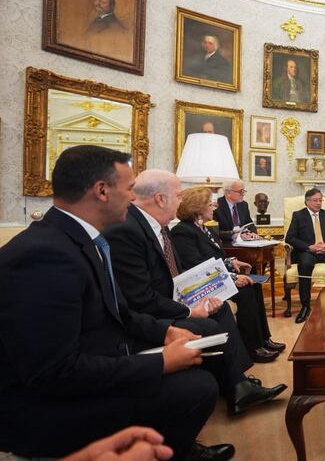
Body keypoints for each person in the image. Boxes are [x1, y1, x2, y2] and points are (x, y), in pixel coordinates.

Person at [0, 146, 231, 460]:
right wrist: (160, 362)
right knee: (196, 388)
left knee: (199, 357)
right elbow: (54, 372)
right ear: (102, 191)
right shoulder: (44, 256)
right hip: (43, 409)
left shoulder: (81, 238)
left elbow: (120, 312)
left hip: (99, 358)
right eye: (130, 189)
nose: (134, 198)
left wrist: (165, 334)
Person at [103, 169, 286, 414]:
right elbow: (141, 298)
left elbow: (176, 273)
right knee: (212, 317)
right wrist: (190, 308)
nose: (181, 202)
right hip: (150, 313)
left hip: (171, 298)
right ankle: (236, 385)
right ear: (160, 199)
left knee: (218, 307)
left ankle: (237, 384)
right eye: (178, 195)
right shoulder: (128, 229)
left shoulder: (159, 226)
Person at [171, 186, 285, 362]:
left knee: (253, 286)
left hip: (215, 279)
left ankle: (263, 339)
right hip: (203, 286)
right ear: (198, 208)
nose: (214, 208)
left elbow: (214, 257)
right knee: (246, 290)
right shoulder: (182, 231)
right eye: (210, 204)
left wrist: (231, 262)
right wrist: (233, 277)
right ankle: (253, 348)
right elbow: (198, 268)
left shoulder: (202, 227)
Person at [285, 188, 325, 323]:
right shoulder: (298, 215)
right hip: (307, 251)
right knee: (305, 265)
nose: (318, 203)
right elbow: (290, 238)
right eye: (315, 200)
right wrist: (309, 247)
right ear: (307, 202)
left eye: (320, 200)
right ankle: (305, 306)